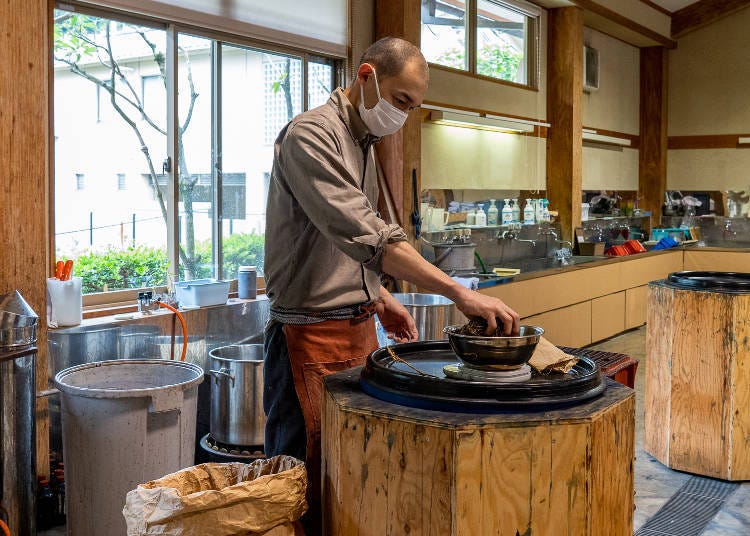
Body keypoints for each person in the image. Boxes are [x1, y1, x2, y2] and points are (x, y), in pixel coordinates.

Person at [263, 36, 519, 534]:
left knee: (346, 476)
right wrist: (459, 291)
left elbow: (339, 240)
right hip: (306, 338)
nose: (402, 115)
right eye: (400, 101)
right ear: (366, 77)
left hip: (354, 330)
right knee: (299, 491)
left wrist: (377, 296)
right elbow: (371, 236)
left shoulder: (363, 141)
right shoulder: (311, 136)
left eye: (413, 107)